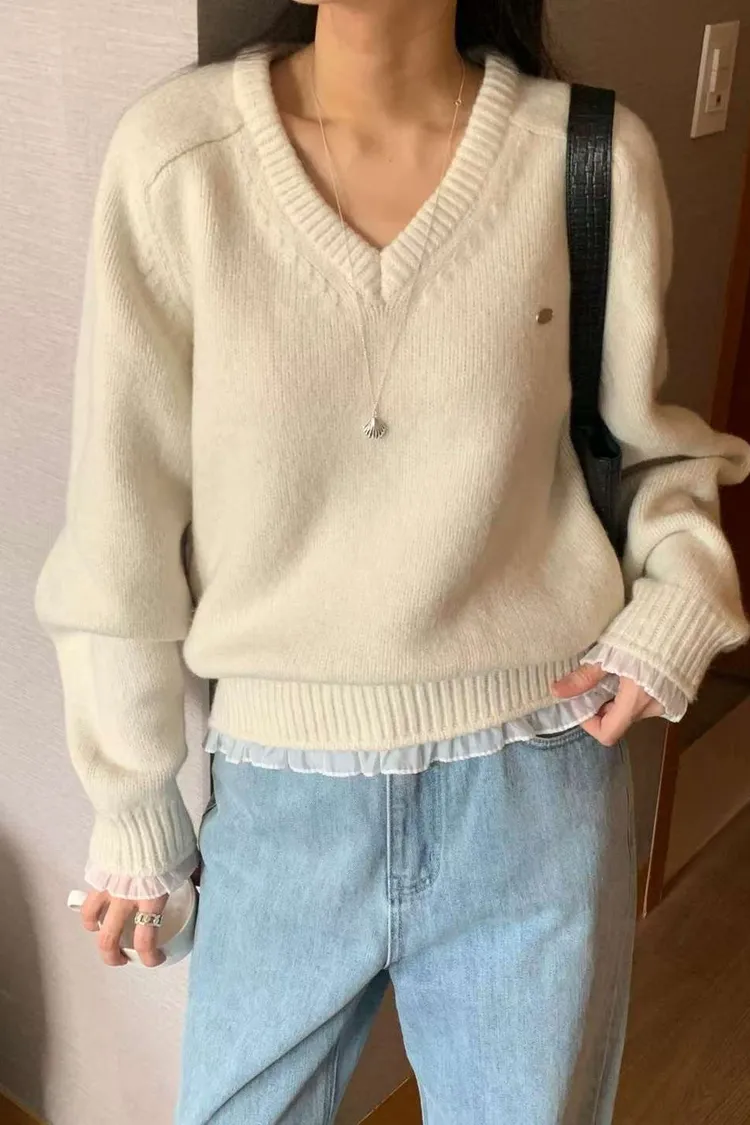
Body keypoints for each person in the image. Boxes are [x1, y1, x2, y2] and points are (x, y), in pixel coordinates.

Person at [36, 0, 750, 1121]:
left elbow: (652, 451)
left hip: (535, 784)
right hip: (282, 795)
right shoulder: (179, 161)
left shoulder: (588, 159)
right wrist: (133, 801)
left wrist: (679, 602)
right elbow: (120, 514)